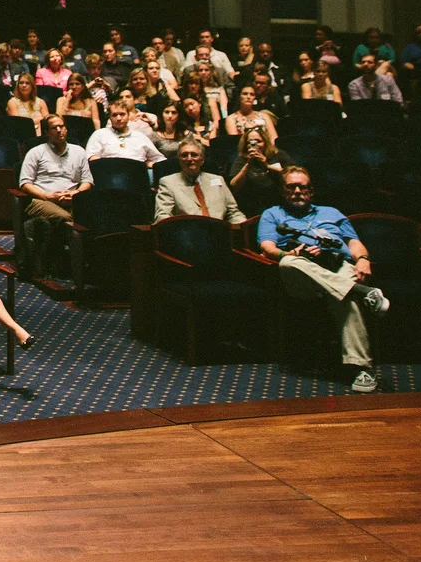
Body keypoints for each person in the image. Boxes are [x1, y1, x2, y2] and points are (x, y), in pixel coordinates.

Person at [257, 167, 388, 392]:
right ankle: (362, 292)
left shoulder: (332, 213)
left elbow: (353, 242)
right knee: (288, 264)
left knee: (347, 300)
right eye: (291, 187)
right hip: (301, 273)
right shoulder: (272, 214)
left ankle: (362, 369)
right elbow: (267, 247)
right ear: (282, 190)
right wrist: (289, 254)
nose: (297, 191)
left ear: (311, 191)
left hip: (337, 267)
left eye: (303, 187)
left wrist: (364, 259)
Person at [16, 116, 91, 282]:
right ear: (46, 132)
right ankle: (62, 263)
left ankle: (80, 264)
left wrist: (75, 194)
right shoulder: (36, 152)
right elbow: (24, 183)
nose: (59, 130)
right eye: (54, 128)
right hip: (42, 200)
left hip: (72, 199)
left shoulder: (78, 151)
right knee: (66, 219)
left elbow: (87, 181)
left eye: (61, 126)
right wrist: (47, 196)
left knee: (90, 216)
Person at [153, 140, 246, 224]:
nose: (189, 159)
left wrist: (243, 225)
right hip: (187, 236)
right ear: (179, 160)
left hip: (219, 233)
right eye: (184, 155)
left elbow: (233, 212)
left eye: (194, 155)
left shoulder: (218, 180)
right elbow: (163, 215)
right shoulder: (168, 182)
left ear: (202, 160)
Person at [84, 105, 163, 165]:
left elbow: (158, 159)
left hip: (136, 175)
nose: (118, 118)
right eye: (114, 115)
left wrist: (147, 163)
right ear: (109, 117)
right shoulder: (99, 134)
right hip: (109, 175)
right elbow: (90, 157)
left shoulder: (140, 136)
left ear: (128, 116)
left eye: (122, 114)